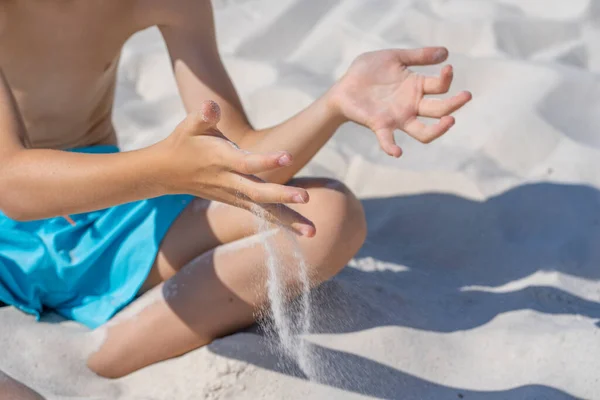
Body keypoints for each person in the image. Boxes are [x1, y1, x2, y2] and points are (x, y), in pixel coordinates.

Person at [0, 0, 472, 382]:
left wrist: (333, 105)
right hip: (16, 226)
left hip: (110, 204)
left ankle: (103, 353)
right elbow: (13, 185)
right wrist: (164, 171)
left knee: (326, 217)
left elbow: (244, 157)